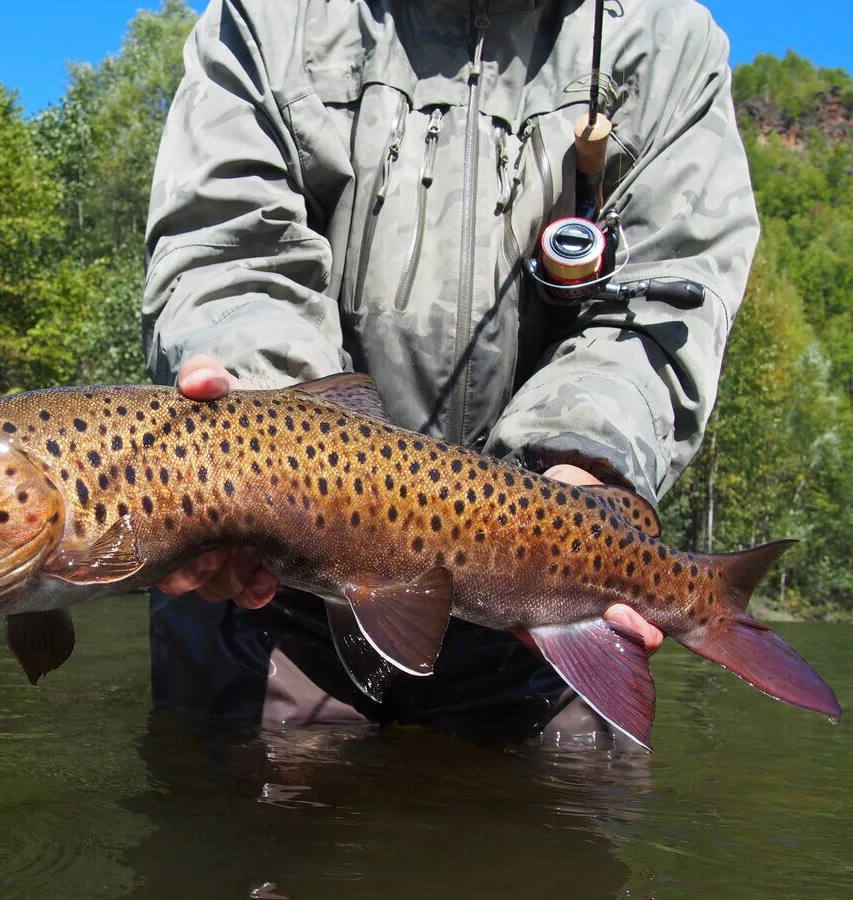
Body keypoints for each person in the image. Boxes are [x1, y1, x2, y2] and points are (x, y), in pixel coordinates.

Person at [140, 0, 758, 741]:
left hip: (539, 563)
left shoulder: (665, 38)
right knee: (233, 826)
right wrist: (261, 437)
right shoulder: (270, 14)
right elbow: (230, 250)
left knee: (560, 842)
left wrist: (581, 466)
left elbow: (667, 298)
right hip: (275, 576)